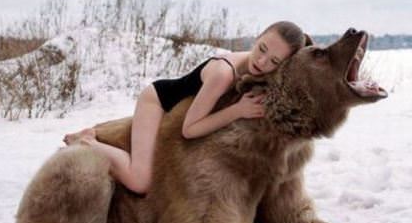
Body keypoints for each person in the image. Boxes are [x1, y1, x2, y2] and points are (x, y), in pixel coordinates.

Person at [63, 21, 311, 194]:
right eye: (261, 49)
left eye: (274, 61)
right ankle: (87, 142)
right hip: (159, 101)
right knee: (141, 181)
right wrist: (238, 111)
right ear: (257, 38)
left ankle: (95, 131)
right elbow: (189, 129)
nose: (261, 61)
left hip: (185, 106)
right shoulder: (224, 74)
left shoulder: (263, 68)